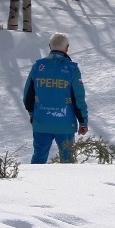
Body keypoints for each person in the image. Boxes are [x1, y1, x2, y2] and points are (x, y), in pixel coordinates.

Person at [23, 33, 89, 163]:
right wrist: (83, 122)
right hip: (65, 123)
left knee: (38, 159)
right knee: (67, 160)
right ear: (67, 48)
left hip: (41, 122)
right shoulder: (72, 69)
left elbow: (27, 96)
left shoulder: (37, 67)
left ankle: (33, 182)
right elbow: (78, 98)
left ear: (49, 46)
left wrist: (32, 113)